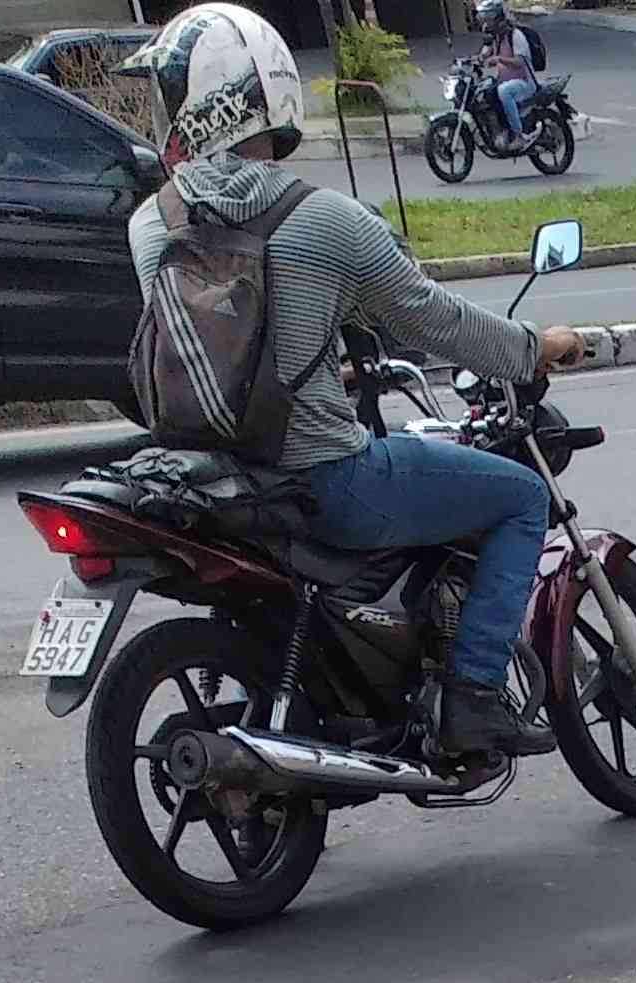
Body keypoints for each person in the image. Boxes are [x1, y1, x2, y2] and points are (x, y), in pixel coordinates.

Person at [131, 2, 587, 761]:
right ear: (270, 92)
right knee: (520, 497)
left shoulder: (150, 224)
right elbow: (433, 320)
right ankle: (474, 695)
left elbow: (215, 345)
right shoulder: (326, 220)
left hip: (212, 476)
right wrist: (533, 348)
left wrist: (320, 363)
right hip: (325, 479)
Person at [476, 0, 545, 154]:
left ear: (499, 18)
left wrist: (499, 59)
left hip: (525, 83)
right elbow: (485, 53)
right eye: (484, 19)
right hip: (506, 81)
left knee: (504, 91)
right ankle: (500, 130)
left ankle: (519, 135)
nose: (486, 24)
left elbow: (520, 62)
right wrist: (476, 59)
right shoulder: (495, 38)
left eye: (489, 19)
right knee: (486, 92)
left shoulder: (516, 36)